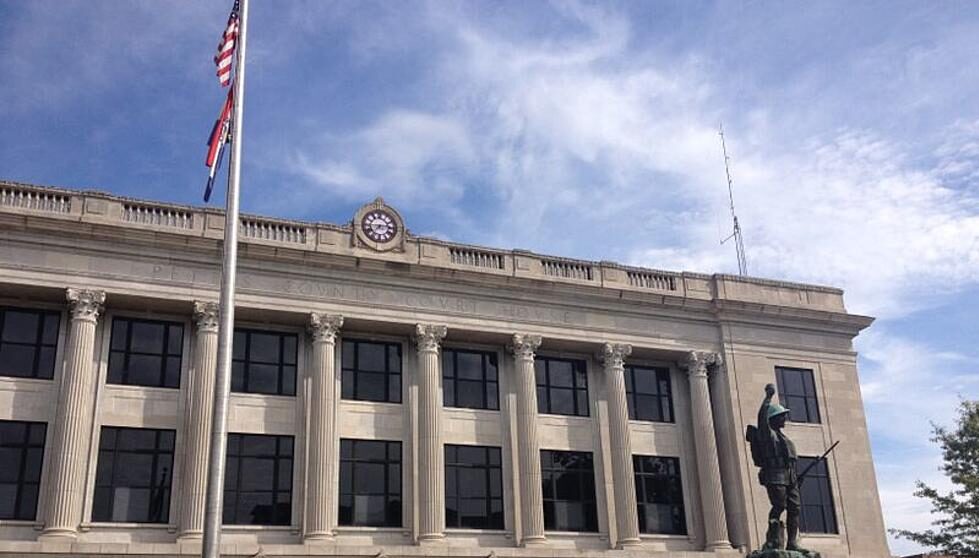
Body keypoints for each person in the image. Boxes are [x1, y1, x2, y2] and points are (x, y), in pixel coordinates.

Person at [756, 383, 808, 552]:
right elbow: (762, 419)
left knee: (795, 509)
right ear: (774, 419)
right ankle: (772, 540)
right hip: (775, 475)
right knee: (779, 506)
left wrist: (796, 477)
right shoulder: (768, 435)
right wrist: (768, 397)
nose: (784, 419)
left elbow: (790, 461)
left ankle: (792, 542)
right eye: (781, 416)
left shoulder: (786, 439)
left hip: (790, 478)